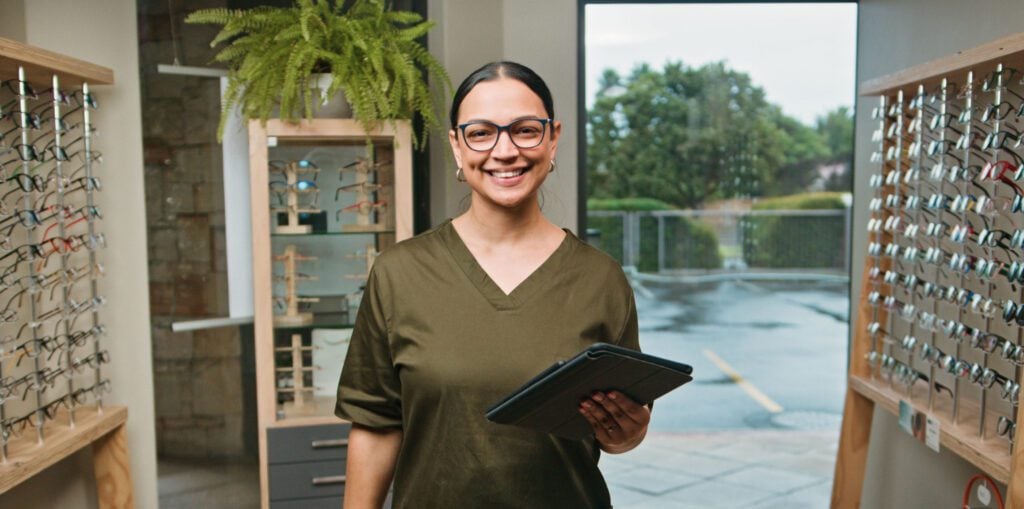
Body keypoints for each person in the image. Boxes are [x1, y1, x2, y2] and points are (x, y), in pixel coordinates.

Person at [335, 61, 650, 509]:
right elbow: (375, 424)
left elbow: (618, 432)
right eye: (481, 133)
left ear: (552, 137)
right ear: (457, 146)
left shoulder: (601, 278)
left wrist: (628, 434)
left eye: (525, 130)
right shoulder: (399, 273)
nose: (504, 151)